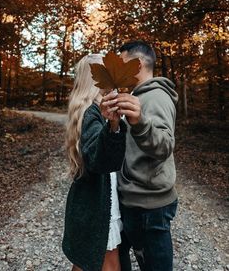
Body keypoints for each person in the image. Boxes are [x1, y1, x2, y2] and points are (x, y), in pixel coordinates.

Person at [102, 40, 179, 271]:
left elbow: (165, 145)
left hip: (149, 206)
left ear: (136, 65)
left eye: (123, 63)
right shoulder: (138, 96)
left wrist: (140, 123)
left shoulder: (156, 97)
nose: (118, 71)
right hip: (134, 201)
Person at [62, 54, 127, 271]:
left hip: (89, 201)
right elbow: (97, 160)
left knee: (87, 260)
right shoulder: (93, 113)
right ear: (96, 79)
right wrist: (113, 128)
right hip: (98, 204)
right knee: (108, 262)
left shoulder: (87, 111)